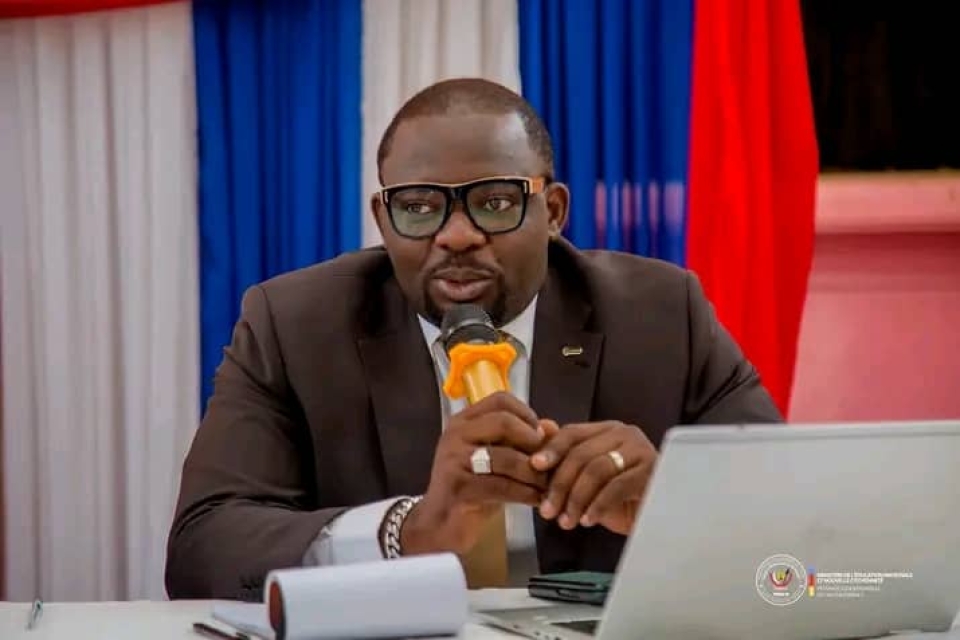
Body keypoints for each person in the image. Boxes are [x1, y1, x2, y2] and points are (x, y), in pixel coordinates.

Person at [165, 78, 782, 600]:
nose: (456, 236)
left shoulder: (661, 316)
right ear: (383, 219)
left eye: (494, 202)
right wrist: (409, 532)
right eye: (418, 207)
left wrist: (672, 508)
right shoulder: (294, 325)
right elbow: (202, 549)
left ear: (554, 212)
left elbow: (800, 542)